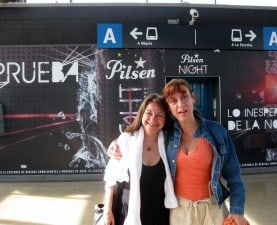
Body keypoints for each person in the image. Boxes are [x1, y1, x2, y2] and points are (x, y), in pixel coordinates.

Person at [108, 78, 248, 225]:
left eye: (184, 97)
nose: (180, 104)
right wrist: (117, 142)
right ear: (169, 107)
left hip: (212, 208)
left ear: (193, 97)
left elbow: (234, 177)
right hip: (179, 210)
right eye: (173, 101)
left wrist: (237, 210)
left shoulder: (216, 132)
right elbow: (140, 134)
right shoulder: (166, 135)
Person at [101, 93, 178, 225]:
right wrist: (107, 211)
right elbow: (111, 178)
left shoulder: (169, 143)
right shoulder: (126, 140)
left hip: (158, 212)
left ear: (165, 120)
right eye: (149, 113)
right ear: (141, 114)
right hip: (127, 209)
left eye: (160, 115)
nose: (153, 119)